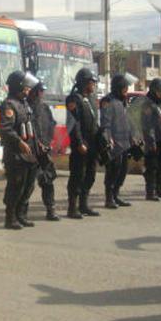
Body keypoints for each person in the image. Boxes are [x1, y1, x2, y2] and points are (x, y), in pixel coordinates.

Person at [0, 70, 40, 229]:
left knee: (29, 184)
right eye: (25, 87)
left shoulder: (25, 103)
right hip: (15, 153)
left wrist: (38, 144)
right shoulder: (9, 105)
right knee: (16, 185)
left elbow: (31, 126)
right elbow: (5, 129)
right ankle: (10, 218)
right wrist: (18, 142)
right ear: (18, 87)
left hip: (29, 152)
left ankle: (21, 214)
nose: (28, 89)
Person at [66, 67, 101, 218]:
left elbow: (96, 121)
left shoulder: (92, 99)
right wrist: (80, 142)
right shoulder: (74, 99)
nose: (93, 85)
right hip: (80, 145)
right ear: (84, 82)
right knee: (77, 176)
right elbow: (75, 123)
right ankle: (72, 207)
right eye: (91, 82)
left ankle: (84, 204)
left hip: (93, 144)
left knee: (90, 175)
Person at [100, 74, 134, 209]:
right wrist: (108, 139)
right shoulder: (108, 101)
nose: (126, 90)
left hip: (124, 142)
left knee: (122, 170)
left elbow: (127, 121)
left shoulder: (122, 101)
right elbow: (105, 123)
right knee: (112, 171)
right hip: (114, 143)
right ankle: (109, 198)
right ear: (118, 87)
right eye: (124, 88)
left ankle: (116, 195)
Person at [28, 81, 60, 221]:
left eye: (42, 91)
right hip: (30, 152)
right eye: (40, 91)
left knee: (48, 180)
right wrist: (36, 143)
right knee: (27, 183)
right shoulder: (26, 107)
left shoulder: (44, 107)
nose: (42, 94)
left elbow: (51, 124)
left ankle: (50, 209)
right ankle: (20, 214)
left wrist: (47, 142)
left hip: (44, 151)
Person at [139, 78, 161, 202]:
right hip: (154, 142)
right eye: (160, 91)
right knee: (152, 168)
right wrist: (151, 141)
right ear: (154, 91)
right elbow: (148, 126)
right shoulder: (148, 105)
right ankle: (150, 192)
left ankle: (159, 190)